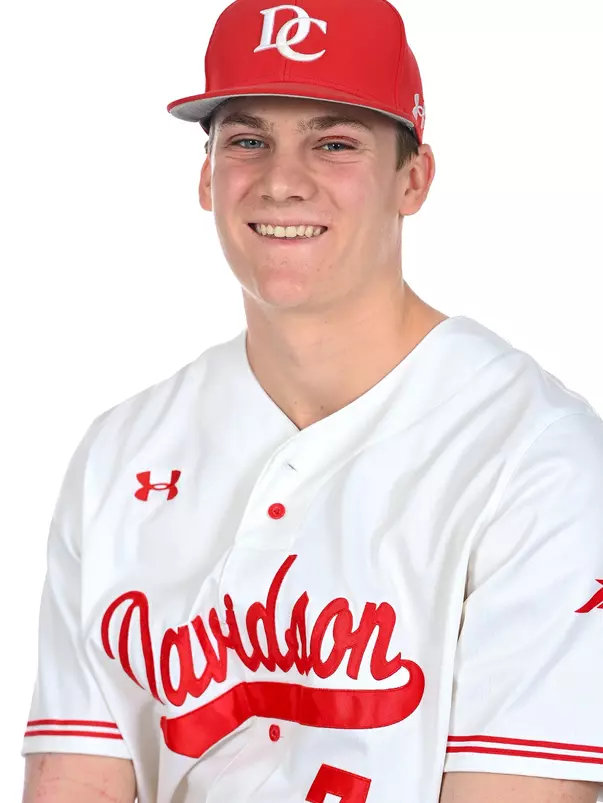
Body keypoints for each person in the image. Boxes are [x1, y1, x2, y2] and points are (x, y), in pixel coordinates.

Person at [21, 0, 603, 801]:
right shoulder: (121, 451)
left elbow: (519, 789)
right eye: (248, 140)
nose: (282, 182)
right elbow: (75, 776)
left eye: (333, 144)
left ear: (413, 178)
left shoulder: (537, 456)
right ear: (205, 176)